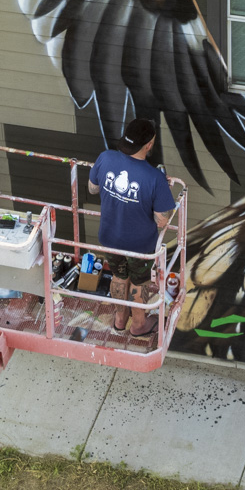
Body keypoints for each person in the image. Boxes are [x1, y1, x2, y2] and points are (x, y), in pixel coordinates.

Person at [90, 118, 175, 338]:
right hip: (139, 245)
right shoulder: (155, 178)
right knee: (140, 281)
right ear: (148, 145)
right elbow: (161, 221)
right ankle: (138, 325)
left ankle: (120, 320)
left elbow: (92, 188)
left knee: (118, 276)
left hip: (109, 237)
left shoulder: (105, 157)